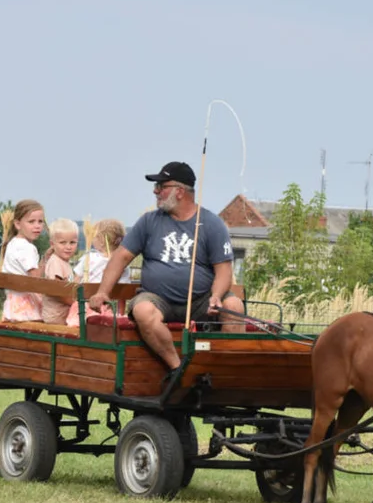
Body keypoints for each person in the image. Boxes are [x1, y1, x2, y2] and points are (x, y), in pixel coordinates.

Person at [88, 161, 245, 380]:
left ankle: (227, 372)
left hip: (201, 300)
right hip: (158, 298)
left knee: (233, 305)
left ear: (180, 191)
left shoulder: (211, 224)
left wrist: (217, 297)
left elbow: (224, 270)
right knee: (143, 311)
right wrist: (103, 292)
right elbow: (120, 257)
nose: (155, 191)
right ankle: (178, 370)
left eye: (161, 186)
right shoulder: (148, 222)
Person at [66, 218, 131, 327]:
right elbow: (122, 294)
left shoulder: (88, 259)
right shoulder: (123, 264)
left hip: (83, 311)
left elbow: (75, 283)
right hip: (110, 312)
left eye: (94, 236)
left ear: (101, 240)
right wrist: (119, 314)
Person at [0, 199, 46, 322]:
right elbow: (36, 279)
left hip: (11, 308)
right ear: (18, 224)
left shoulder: (12, 244)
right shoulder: (27, 247)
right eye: (31, 222)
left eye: (40, 221)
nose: (37, 226)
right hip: (27, 309)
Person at [40, 217, 79, 325]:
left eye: (72, 242)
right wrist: (76, 303)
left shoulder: (64, 263)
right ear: (52, 244)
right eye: (63, 243)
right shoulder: (55, 263)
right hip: (57, 316)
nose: (68, 247)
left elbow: (69, 284)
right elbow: (58, 291)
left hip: (63, 313)